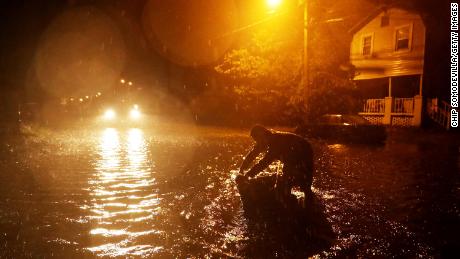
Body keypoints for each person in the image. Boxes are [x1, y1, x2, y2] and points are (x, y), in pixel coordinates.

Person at [239, 125, 314, 199]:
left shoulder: (275, 141)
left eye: (257, 140)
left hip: (303, 152)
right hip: (291, 154)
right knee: (285, 181)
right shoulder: (264, 140)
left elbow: (265, 162)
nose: (258, 143)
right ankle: (288, 197)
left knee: (302, 184)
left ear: (263, 136)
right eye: (256, 141)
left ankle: (304, 201)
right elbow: (253, 154)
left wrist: (248, 175)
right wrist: (242, 169)